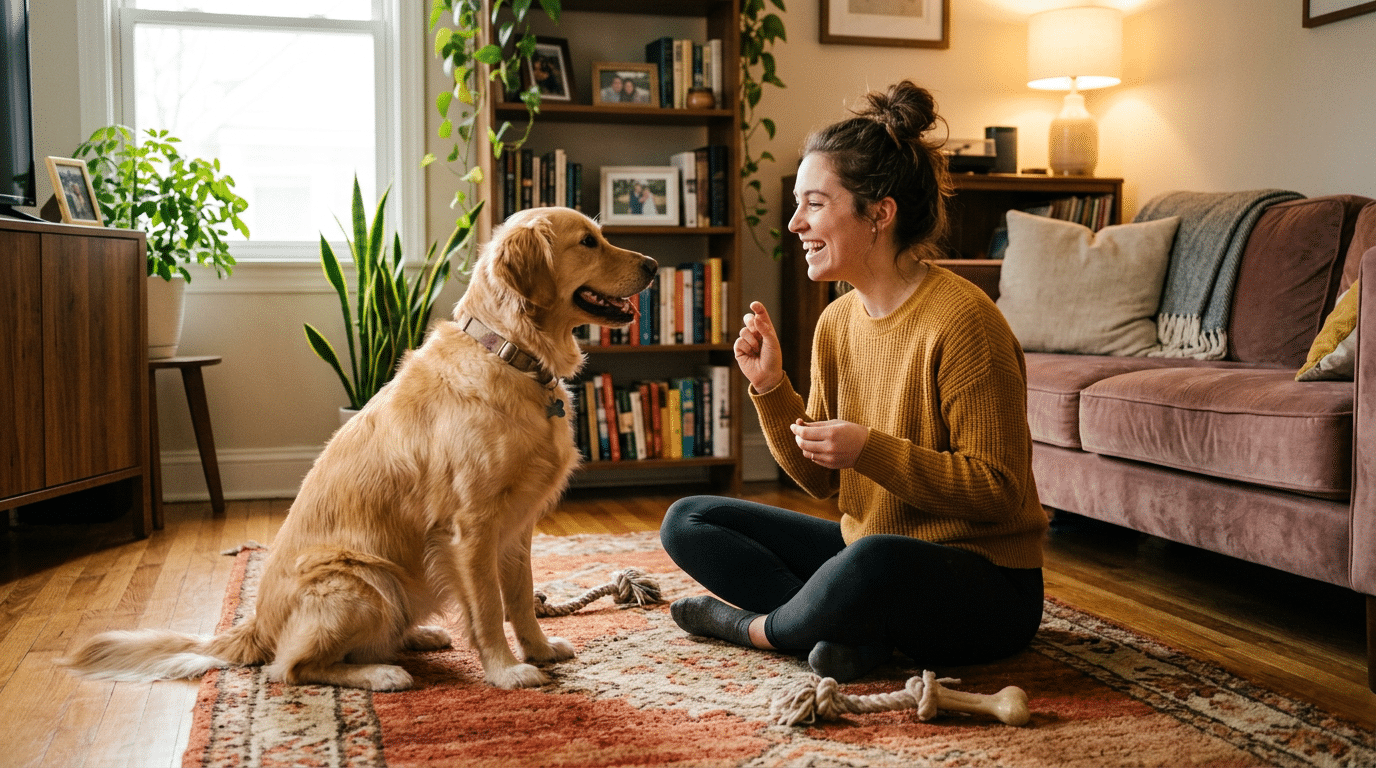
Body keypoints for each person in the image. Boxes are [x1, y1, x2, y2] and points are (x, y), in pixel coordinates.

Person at [659, 80, 1048, 682]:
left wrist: (872, 449)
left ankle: (757, 628)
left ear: (879, 214)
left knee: (872, 559)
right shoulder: (837, 321)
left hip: (986, 586)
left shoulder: (965, 322)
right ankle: (847, 630)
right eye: (798, 203)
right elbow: (821, 481)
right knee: (689, 519)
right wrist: (770, 388)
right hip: (871, 554)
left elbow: (999, 491)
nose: (794, 224)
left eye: (814, 204)